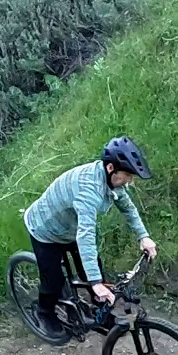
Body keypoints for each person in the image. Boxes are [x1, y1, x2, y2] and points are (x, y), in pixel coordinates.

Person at [22, 137, 158, 337]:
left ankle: (100, 311)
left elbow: (128, 209)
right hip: (46, 230)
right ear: (111, 167)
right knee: (53, 281)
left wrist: (143, 237)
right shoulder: (89, 190)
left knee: (95, 272)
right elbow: (86, 236)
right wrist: (96, 283)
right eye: (128, 175)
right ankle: (45, 313)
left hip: (70, 226)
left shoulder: (111, 180)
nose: (130, 180)